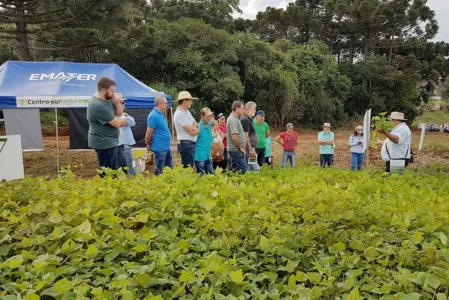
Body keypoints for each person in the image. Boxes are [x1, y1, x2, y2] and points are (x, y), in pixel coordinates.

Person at [87, 77, 129, 173]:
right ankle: (107, 187)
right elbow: (117, 123)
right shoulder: (98, 105)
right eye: (111, 90)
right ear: (103, 90)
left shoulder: (107, 98)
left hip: (111, 141)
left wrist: (117, 103)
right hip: (103, 142)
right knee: (108, 172)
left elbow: (119, 114)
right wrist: (124, 122)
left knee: (117, 169)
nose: (114, 92)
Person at [145, 96, 173, 175]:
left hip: (166, 147)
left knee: (169, 169)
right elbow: (148, 134)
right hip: (159, 148)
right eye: (165, 103)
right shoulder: (154, 116)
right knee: (159, 171)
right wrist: (148, 144)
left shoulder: (160, 114)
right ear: (160, 104)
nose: (167, 105)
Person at [174, 91, 199, 168]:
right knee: (188, 168)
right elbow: (190, 131)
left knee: (190, 166)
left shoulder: (187, 111)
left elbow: (196, 123)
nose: (191, 103)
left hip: (189, 144)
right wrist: (196, 130)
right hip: (186, 144)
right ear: (185, 101)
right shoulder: (179, 114)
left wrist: (195, 129)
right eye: (190, 100)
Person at [117, 93, 136, 175]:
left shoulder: (122, 115)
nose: (125, 104)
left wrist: (126, 117)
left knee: (129, 163)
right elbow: (130, 122)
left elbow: (132, 122)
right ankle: (133, 181)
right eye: (123, 102)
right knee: (129, 164)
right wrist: (124, 119)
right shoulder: (119, 116)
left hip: (126, 143)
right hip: (124, 144)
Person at [227, 101, 247, 174]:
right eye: (242, 108)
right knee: (243, 168)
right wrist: (241, 147)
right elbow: (234, 137)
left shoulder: (235, 118)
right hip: (236, 149)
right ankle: (240, 184)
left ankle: (234, 184)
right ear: (236, 108)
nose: (243, 110)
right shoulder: (233, 120)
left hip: (235, 149)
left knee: (235, 169)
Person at [195, 107, 215, 175]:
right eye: (208, 116)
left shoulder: (209, 125)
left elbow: (210, 138)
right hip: (200, 157)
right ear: (202, 116)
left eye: (210, 115)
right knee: (201, 176)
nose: (210, 117)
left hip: (208, 156)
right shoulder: (198, 127)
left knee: (212, 174)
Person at [240, 101, 259, 171]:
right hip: (250, 148)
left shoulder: (248, 119)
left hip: (251, 147)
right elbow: (246, 136)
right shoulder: (245, 120)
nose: (255, 111)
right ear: (248, 109)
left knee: (251, 164)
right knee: (254, 166)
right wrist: (250, 150)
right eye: (254, 109)